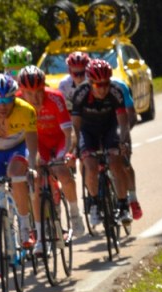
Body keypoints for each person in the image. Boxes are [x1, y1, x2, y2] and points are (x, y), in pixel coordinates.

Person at [60, 52, 143, 220]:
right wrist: (72, 149)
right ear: (90, 83)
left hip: (110, 127)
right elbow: (75, 126)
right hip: (87, 129)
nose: (103, 88)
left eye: (106, 84)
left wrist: (124, 143)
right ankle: (95, 203)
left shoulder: (116, 91)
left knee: (115, 162)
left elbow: (123, 122)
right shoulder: (80, 93)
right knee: (90, 165)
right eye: (98, 85)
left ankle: (123, 205)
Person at [16, 65, 85, 252]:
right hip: (37, 144)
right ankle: (39, 235)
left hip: (58, 140)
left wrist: (69, 153)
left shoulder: (56, 98)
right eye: (29, 93)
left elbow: (69, 133)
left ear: (44, 86)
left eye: (39, 92)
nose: (36, 98)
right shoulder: (16, 102)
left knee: (62, 172)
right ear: (21, 92)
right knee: (36, 183)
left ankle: (74, 213)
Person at [0, 73, 38, 250]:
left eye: (7, 101)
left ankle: (24, 226)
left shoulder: (26, 110)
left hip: (17, 149)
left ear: (15, 97)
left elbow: (32, 144)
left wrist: (33, 166)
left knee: (16, 175)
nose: (3, 106)